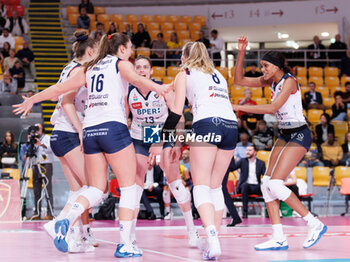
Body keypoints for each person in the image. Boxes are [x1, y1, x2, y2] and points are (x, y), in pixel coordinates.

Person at [13, 33, 170, 257]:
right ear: (123, 50)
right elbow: (135, 79)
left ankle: (64, 219)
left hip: (90, 131)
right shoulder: (120, 63)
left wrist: (32, 99)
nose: (133, 54)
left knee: (96, 188)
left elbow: (59, 90)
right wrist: (160, 88)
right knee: (128, 187)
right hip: (113, 128)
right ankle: (125, 244)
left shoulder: (90, 68)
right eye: (131, 48)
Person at [233, 36, 326, 251]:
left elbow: (273, 108)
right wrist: (240, 52)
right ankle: (278, 237)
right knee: (266, 183)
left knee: (275, 184)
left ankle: (314, 223)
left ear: (276, 66)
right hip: (285, 134)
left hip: (300, 134)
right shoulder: (270, 81)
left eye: (265, 65)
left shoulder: (289, 81)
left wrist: (237, 107)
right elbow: (239, 80)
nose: (262, 69)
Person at [151, 41, 239, 260]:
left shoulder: (185, 72)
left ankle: (211, 237)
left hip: (208, 124)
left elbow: (175, 112)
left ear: (185, 57)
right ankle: (214, 238)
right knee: (216, 186)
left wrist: (165, 142)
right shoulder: (217, 74)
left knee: (200, 186)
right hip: (231, 126)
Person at [125, 55, 200, 248]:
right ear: (134, 71)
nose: (141, 70)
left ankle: (192, 231)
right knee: (135, 186)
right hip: (139, 137)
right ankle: (129, 237)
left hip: (164, 134)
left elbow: (180, 117)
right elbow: (125, 118)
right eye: (138, 67)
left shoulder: (163, 89)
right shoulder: (128, 92)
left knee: (175, 181)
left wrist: (177, 142)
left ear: (150, 71)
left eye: (145, 67)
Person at [42, 31, 99, 253]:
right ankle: (59, 221)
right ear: (91, 51)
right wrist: (81, 130)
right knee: (93, 187)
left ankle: (76, 237)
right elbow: (65, 101)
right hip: (68, 134)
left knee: (78, 191)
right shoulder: (79, 70)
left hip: (59, 133)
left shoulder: (68, 67)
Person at [25, 123, 55, 221]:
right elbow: (29, 152)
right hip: (35, 165)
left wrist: (40, 144)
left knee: (47, 189)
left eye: (38, 128)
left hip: (46, 164)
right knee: (36, 190)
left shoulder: (47, 138)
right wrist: (30, 142)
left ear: (42, 129)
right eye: (35, 129)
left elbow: (52, 149)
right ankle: (36, 213)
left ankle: (50, 212)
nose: (37, 131)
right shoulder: (32, 139)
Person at [232, 144, 265, 218]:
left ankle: (269, 212)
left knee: (266, 186)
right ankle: (245, 212)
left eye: (250, 150)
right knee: (245, 185)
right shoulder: (242, 161)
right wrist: (232, 161)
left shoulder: (261, 163)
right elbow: (232, 168)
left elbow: (265, 175)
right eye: (247, 150)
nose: (247, 152)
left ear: (255, 152)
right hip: (245, 187)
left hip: (257, 187)